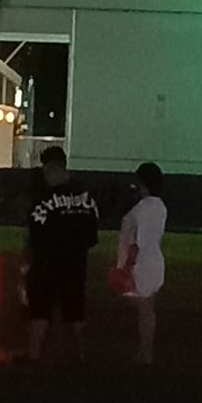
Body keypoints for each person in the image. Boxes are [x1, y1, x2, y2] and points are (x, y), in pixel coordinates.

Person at [22, 146, 99, 363]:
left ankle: (34, 354)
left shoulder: (45, 200)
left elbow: (34, 232)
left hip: (47, 263)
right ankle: (80, 353)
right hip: (76, 262)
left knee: (40, 307)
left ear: (51, 171)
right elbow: (92, 234)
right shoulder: (86, 199)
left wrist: (28, 261)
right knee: (75, 309)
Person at [116, 162, 167, 364]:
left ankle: (145, 352)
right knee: (147, 309)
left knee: (143, 309)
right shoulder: (160, 206)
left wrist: (127, 263)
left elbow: (138, 239)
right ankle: (145, 350)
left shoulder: (143, 208)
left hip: (142, 261)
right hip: (155, 259)